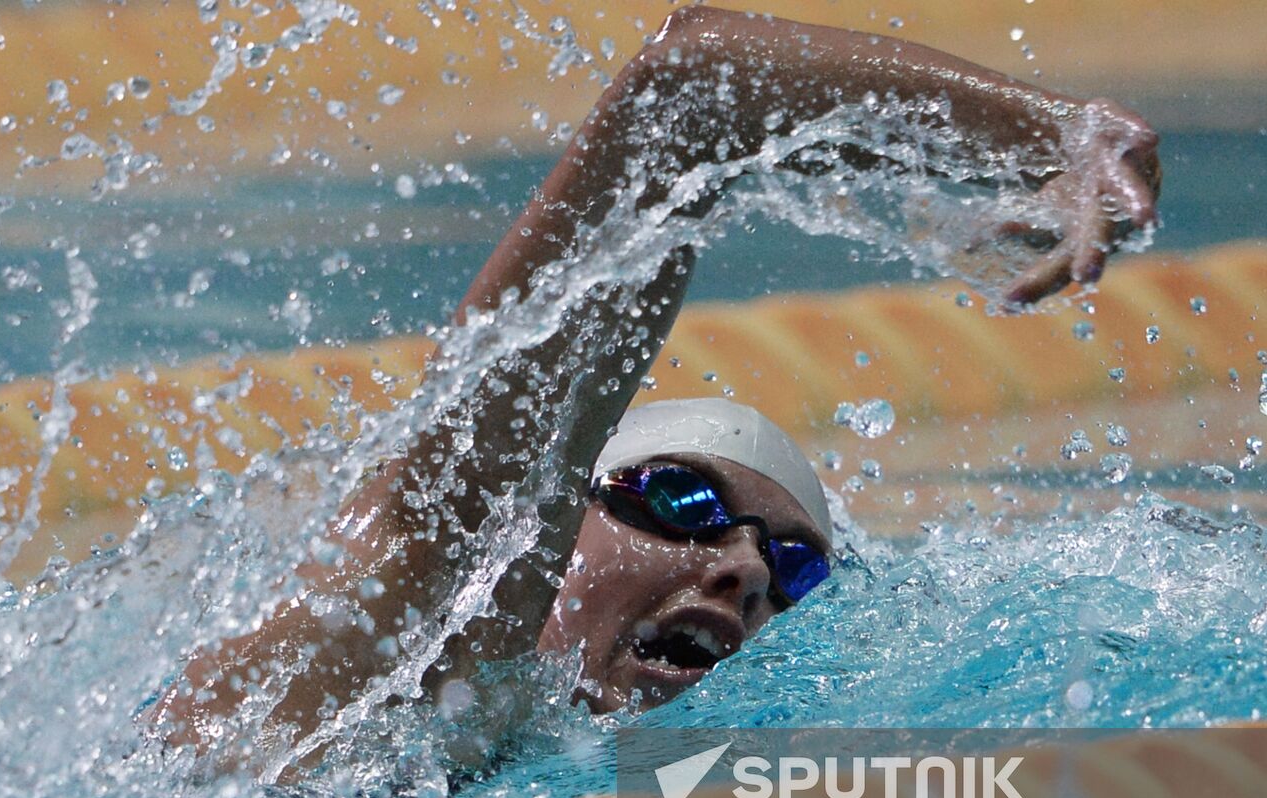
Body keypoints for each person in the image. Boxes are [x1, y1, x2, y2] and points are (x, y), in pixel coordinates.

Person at [155, 6, 1160, 758]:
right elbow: (687, 88)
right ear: (564, 507)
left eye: (795, 568)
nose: (746, 571)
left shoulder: (582, 779)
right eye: (681, 499)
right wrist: (1056, 138)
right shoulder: (383, 630)